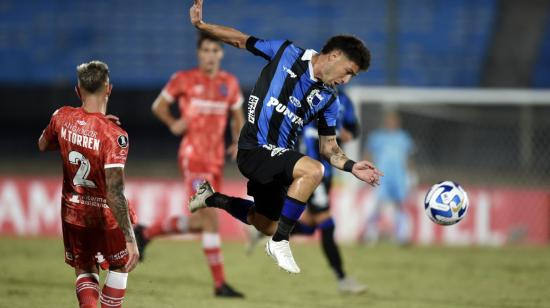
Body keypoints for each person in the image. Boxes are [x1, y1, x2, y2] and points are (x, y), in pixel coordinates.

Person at [187, 0, 383, 274]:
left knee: (265, 222)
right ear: (334, 56)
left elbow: (329, 147)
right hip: (254, 147)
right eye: (348, 72)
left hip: (279, 163)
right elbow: (240, 40)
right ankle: (281, 242)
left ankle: (211, 198)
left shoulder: (329, 100)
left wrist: (352, 166)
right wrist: (202, 26)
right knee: (313, 170)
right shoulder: (286, 52)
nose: (346, 80)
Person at [133, 32, 245, 297]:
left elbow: (237, 116)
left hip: (215, 160)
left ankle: (147, 232)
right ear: (199, 53)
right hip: (193, 158)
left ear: (221, 54)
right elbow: (158, 106)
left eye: (214, 51)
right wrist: (173, 122)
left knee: (200, 223)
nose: (210, 55)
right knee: (209, 219)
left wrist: (239, 140)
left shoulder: (229, 83)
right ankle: (220, 284)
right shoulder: (183, 79)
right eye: (205, 50)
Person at [38, 60, 139, 308]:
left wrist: (72, 136)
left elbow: (43, 144)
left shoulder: (61, 117)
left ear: (77, 90)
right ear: (109, 89)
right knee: (119, 267)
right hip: (105, 216)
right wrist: (130, 238)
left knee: (85, 269)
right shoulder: (114, 135)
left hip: (73, 213)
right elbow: (114, 191)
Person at [247, 90, 368, 293]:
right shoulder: (305, 91)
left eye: (350, 74)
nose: (345, 78)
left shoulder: (344, 100)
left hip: (326, 172)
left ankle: (266, 228)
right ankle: (342, 279)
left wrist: (348, 134)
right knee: (327, 223)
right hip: (306, 168)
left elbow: (354, 128)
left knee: (312, 226)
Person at [363, 111, 415, 245]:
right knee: (378, 205)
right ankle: (370, 235)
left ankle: (402, 236)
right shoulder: (377, 137)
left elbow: (408, 158)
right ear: (386, 122)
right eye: (389, 121)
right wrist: (367, 172)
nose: (392, 123)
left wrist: (412, 174)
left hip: (399, 177)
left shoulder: (404, 138)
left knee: (400, 205)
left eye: (394, 121)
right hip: (382, 176)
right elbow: (368, 155)